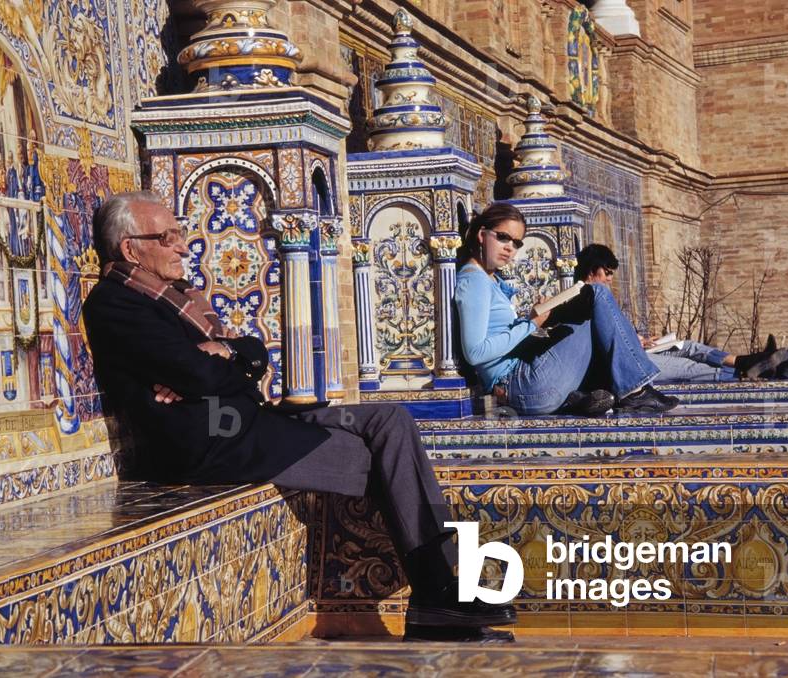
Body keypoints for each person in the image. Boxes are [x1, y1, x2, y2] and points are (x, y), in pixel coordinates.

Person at [83, 191, 515, 643]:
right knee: (375, 460)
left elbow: (253, 352)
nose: (181, 245)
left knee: (392, 421)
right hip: (215, 444)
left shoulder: (176, 298)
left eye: (180, 233)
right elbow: (200, 373)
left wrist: (226, 353)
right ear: (131, 248)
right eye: (167, 236)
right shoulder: (116, 304)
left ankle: (438, 590)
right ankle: (436, 596)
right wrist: (213, 366)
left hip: (249, 422)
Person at [453, 202, 677, 415]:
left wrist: (537, 318)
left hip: (526, 385)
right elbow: (475, 353)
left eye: (517, 243)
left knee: (587, 318)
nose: (510, 248)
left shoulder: (488, 280)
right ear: (482, 235)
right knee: (597, 293)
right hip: (521, 386)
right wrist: (532, 324)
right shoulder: (474, 281)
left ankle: (583, 396)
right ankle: (634, 391)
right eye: (503, 238)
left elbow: (501, 335)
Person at [573, 244, 788, 382]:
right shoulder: (581, 300)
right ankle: (751, 373)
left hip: (635, 353)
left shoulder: (598, 298)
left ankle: (747, 361)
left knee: (689, 346)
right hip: (624, 365)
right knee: (692, 368)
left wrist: (639, 340)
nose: (610, 279)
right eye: (608, 272)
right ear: (593, 271)